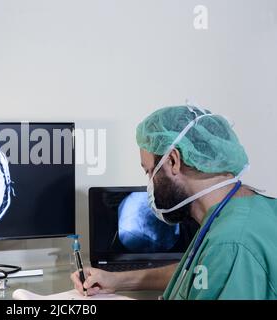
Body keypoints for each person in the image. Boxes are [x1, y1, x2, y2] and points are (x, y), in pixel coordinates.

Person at [71, 105, 277, 299]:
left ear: (173, 161)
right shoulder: (244, 209)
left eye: (149, 171)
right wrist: (116, 279)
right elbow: (197, 271)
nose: (150, 182)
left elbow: (219, 263)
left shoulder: (229, 243)